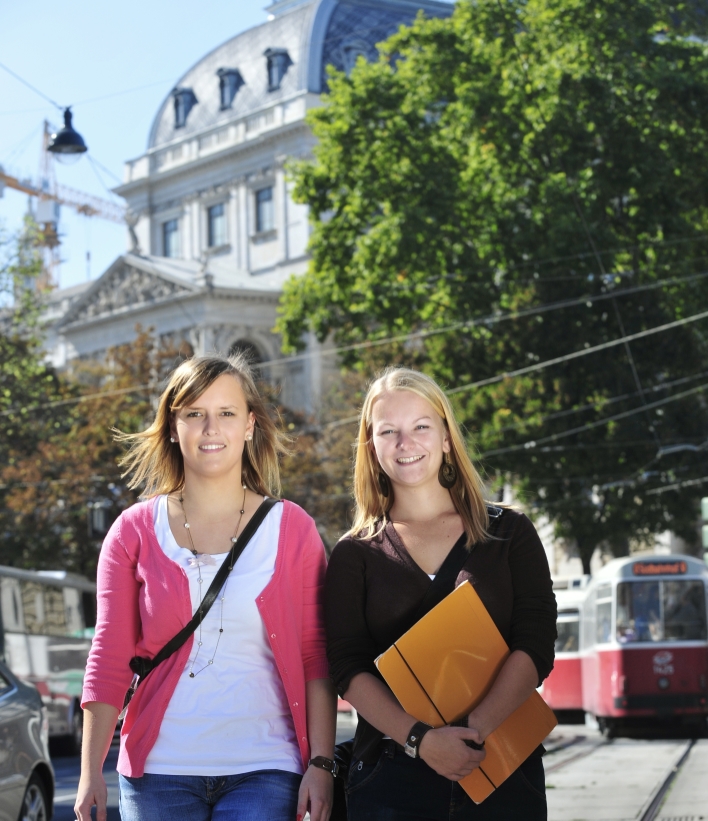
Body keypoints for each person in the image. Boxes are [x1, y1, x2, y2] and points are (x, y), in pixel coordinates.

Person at [75, 354, 336, 821]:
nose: (211, 428)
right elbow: (109, 654)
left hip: (267, 767)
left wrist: (320, 762)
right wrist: (90, 770)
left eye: (227, 413)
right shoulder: (132, 532)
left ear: (250, 426)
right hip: (157, 773)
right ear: (174, 427)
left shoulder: (293, 529)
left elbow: (316, 656)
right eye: (195, 413)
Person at [325, 368, 557, 820]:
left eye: (421, 427)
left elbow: (535, 643)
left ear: (447, 438)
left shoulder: (510, 533)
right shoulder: (354, 554)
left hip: (500, 767)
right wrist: (421, 741)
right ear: (371, 447)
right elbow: (346, 666)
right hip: (391, 778)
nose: (404, 443)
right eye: (388, 431)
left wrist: (473, 732)